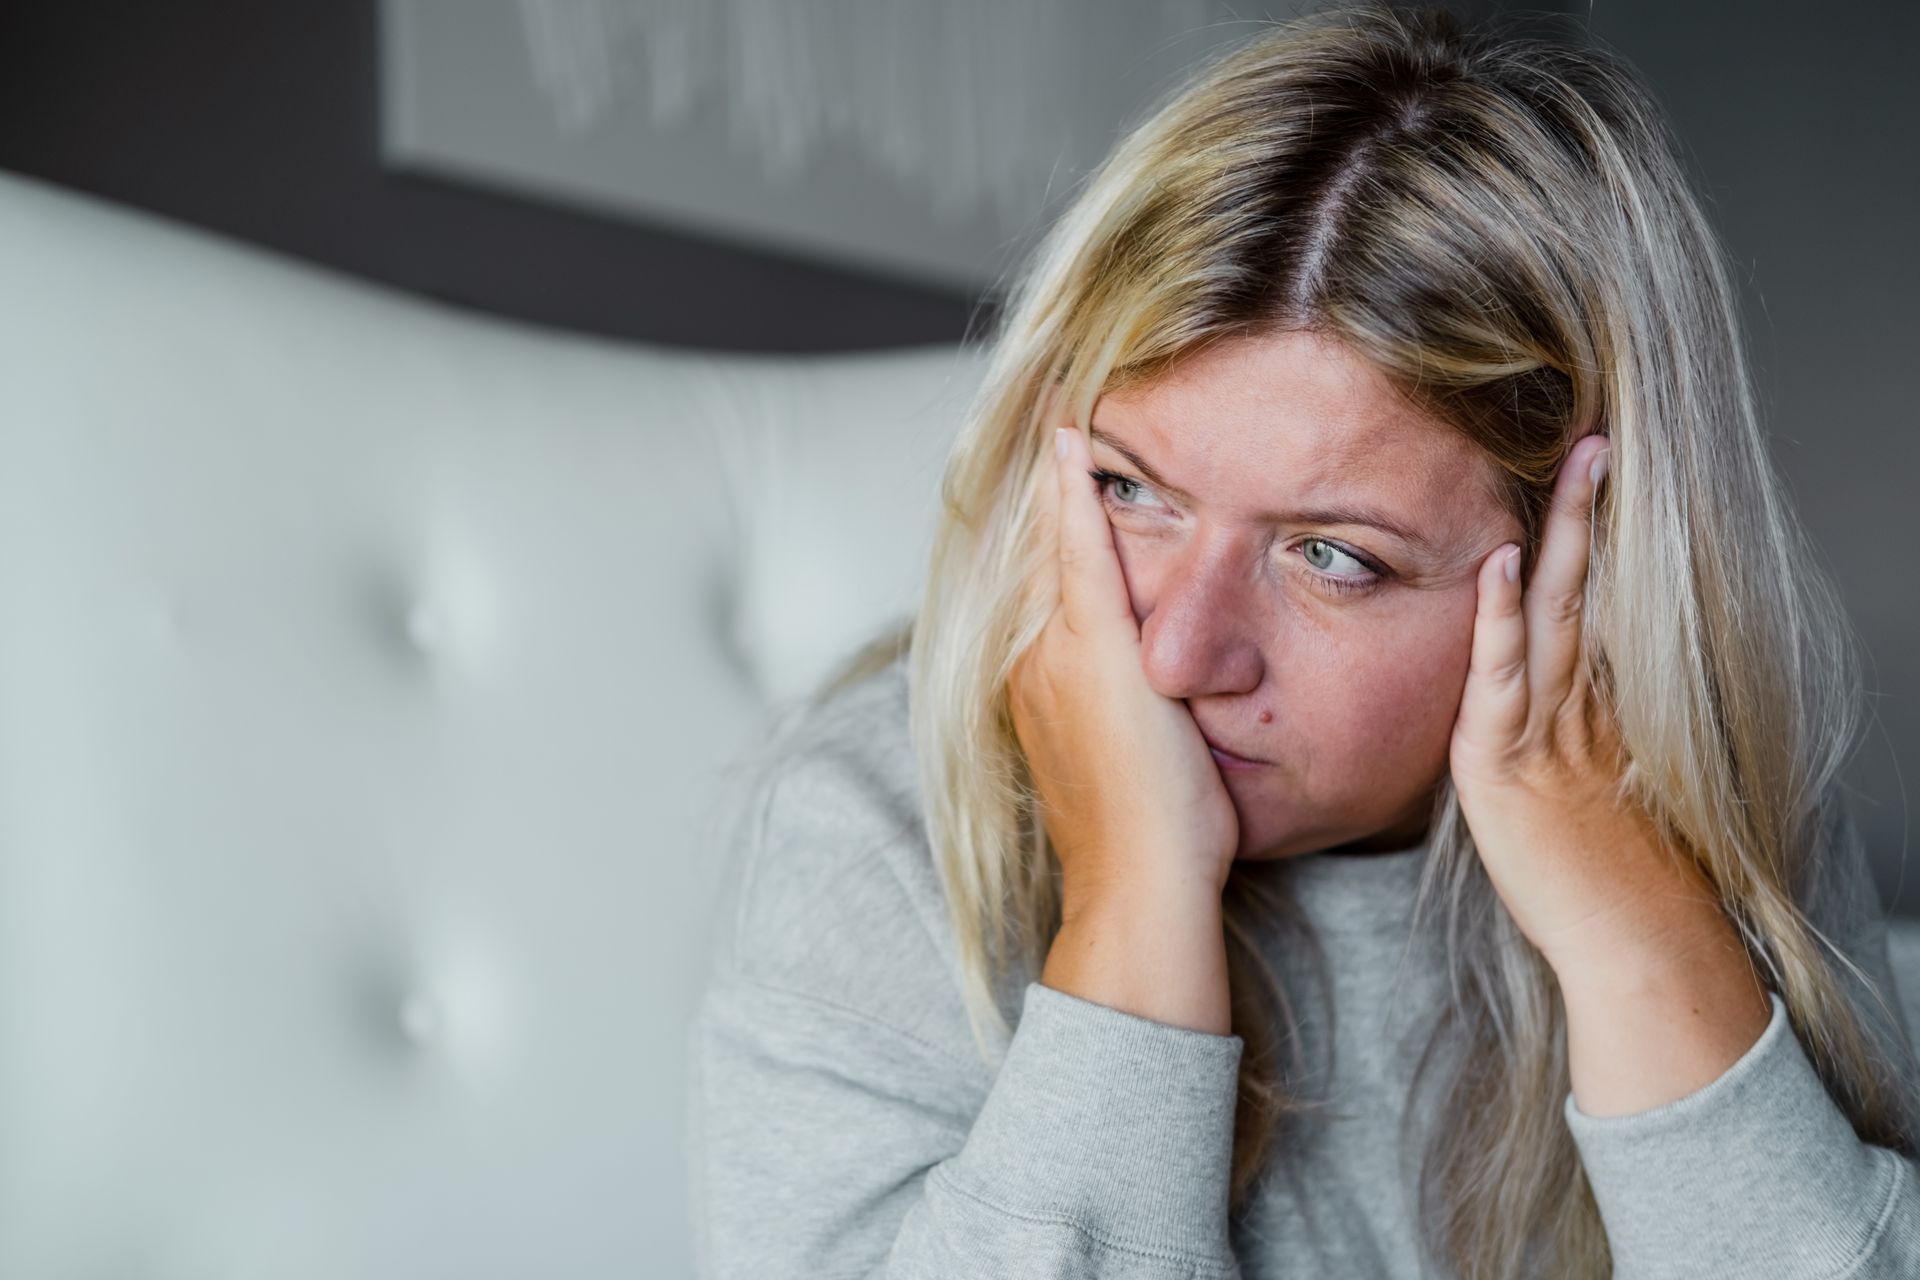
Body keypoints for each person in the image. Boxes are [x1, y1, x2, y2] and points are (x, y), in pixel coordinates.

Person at [684, 4, 1920, 1276]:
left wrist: (1636, 928)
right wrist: (1131, 905)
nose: (1177, 653)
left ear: (1587, 572)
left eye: (1334, 554)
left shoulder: (1703, 819)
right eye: (1131, 488)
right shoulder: (875, 826)